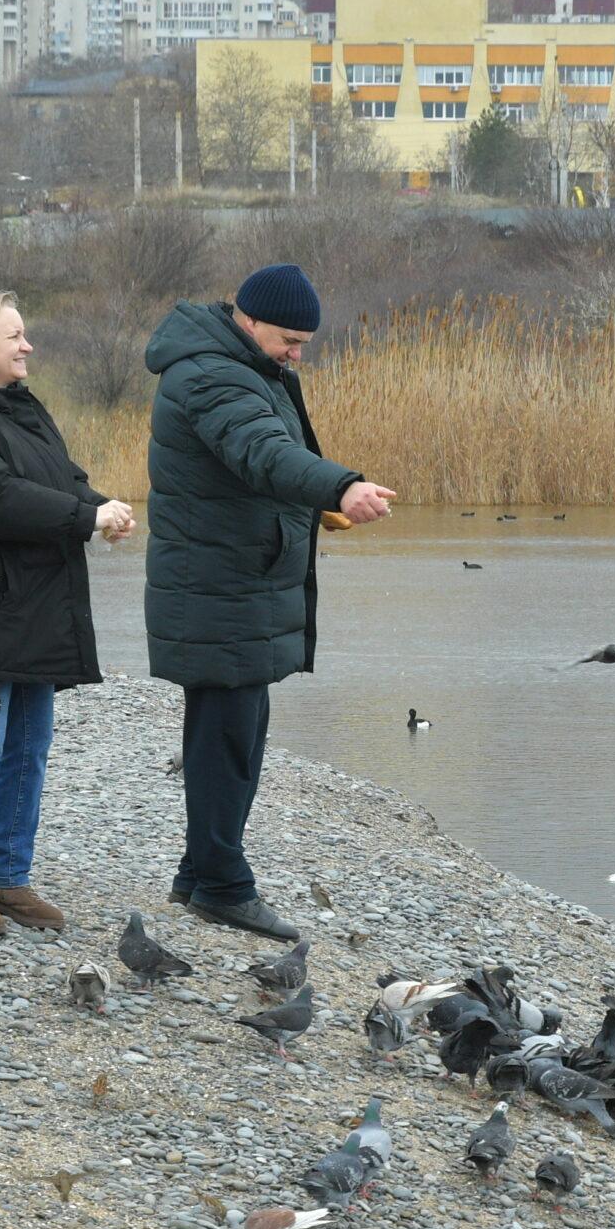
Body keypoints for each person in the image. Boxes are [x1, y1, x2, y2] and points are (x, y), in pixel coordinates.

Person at [142, 263, 393, 941]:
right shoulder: (212, 375)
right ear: (248, 320)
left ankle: (199, 875)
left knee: (231, 730)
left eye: (304, 344)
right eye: (289, 339)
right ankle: (224, 885)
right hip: (219, 586)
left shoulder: (241, 366)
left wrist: (314, 506)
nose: (296, 353)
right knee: (228, 737)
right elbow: (265, 452)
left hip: (234, 581)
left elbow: (266, 464)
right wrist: (339, 487)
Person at [0, 288, 136, 937]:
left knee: (30, 745)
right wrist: (83, 518)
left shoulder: (19, 408)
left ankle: (6, 876)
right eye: (14, 335)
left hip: (33, 600)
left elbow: (58, 479)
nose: (27, 345)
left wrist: (101, 507)